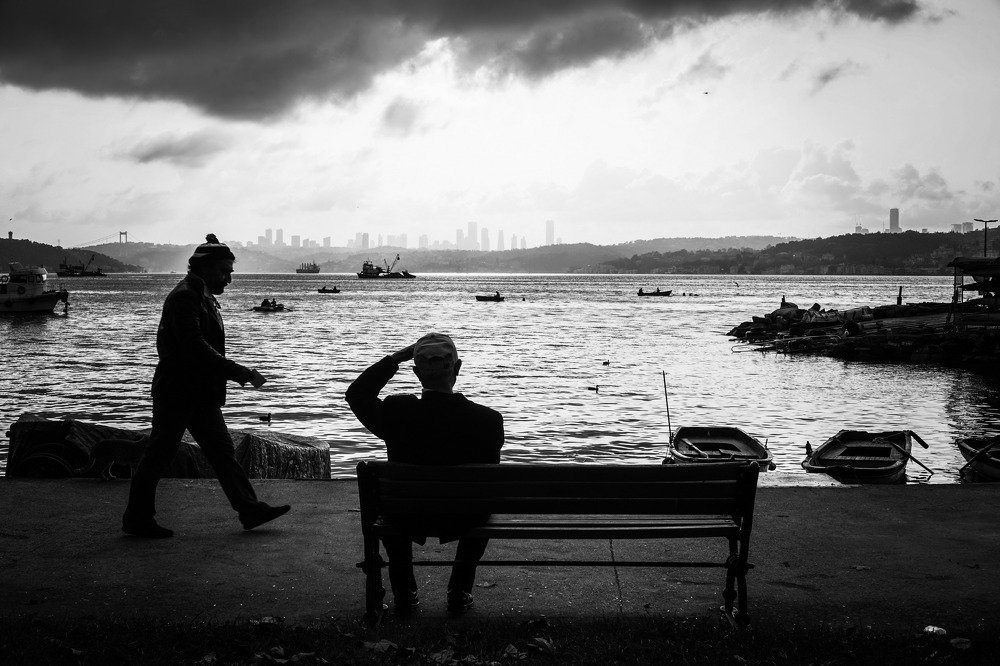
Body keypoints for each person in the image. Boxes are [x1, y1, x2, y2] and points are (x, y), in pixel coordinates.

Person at [122, 234, 291, 538]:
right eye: (225, 271)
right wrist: (240, 372)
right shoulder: (186, 297)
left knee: (221, 453)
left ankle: (250, 510)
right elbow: (195, 347)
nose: (228, 278)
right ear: (207, 268)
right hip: (179, 392)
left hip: (197, 393)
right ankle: (137, 517)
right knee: (160, 454)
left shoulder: (199, 294)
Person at [346, 333, 504, 614]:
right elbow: (489, 482)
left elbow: (357, 394)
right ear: (457, 368)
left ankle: (405, 592)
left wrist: (395, 359)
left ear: (417, 373)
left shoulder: (396, 412)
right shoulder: (488, 420)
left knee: (390, 507)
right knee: (482, 503)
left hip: (406, 514)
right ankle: (459, 590)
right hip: (464, 517)